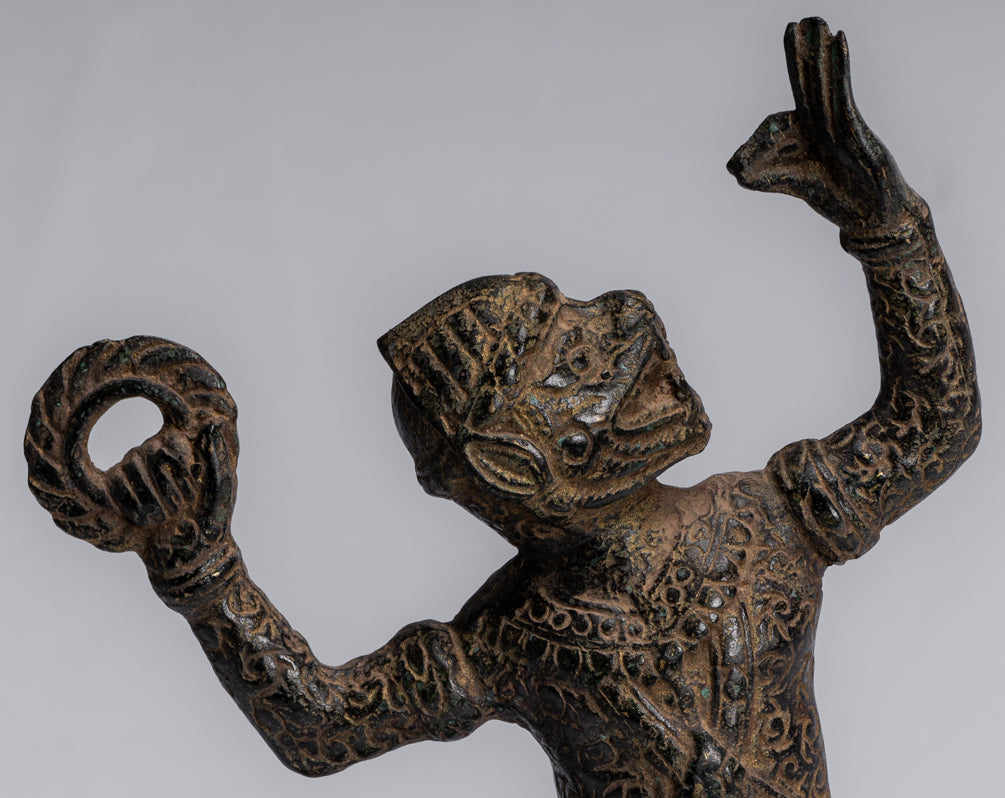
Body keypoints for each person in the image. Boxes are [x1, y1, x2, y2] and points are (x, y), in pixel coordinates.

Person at [26, 18, 980, 798]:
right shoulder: (521, 636)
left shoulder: (758, 524)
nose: (629, 315)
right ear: (515, 463)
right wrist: (198, 567)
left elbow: (937, 423)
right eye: (578, 354)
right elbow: (318, 726)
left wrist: (888, 226)